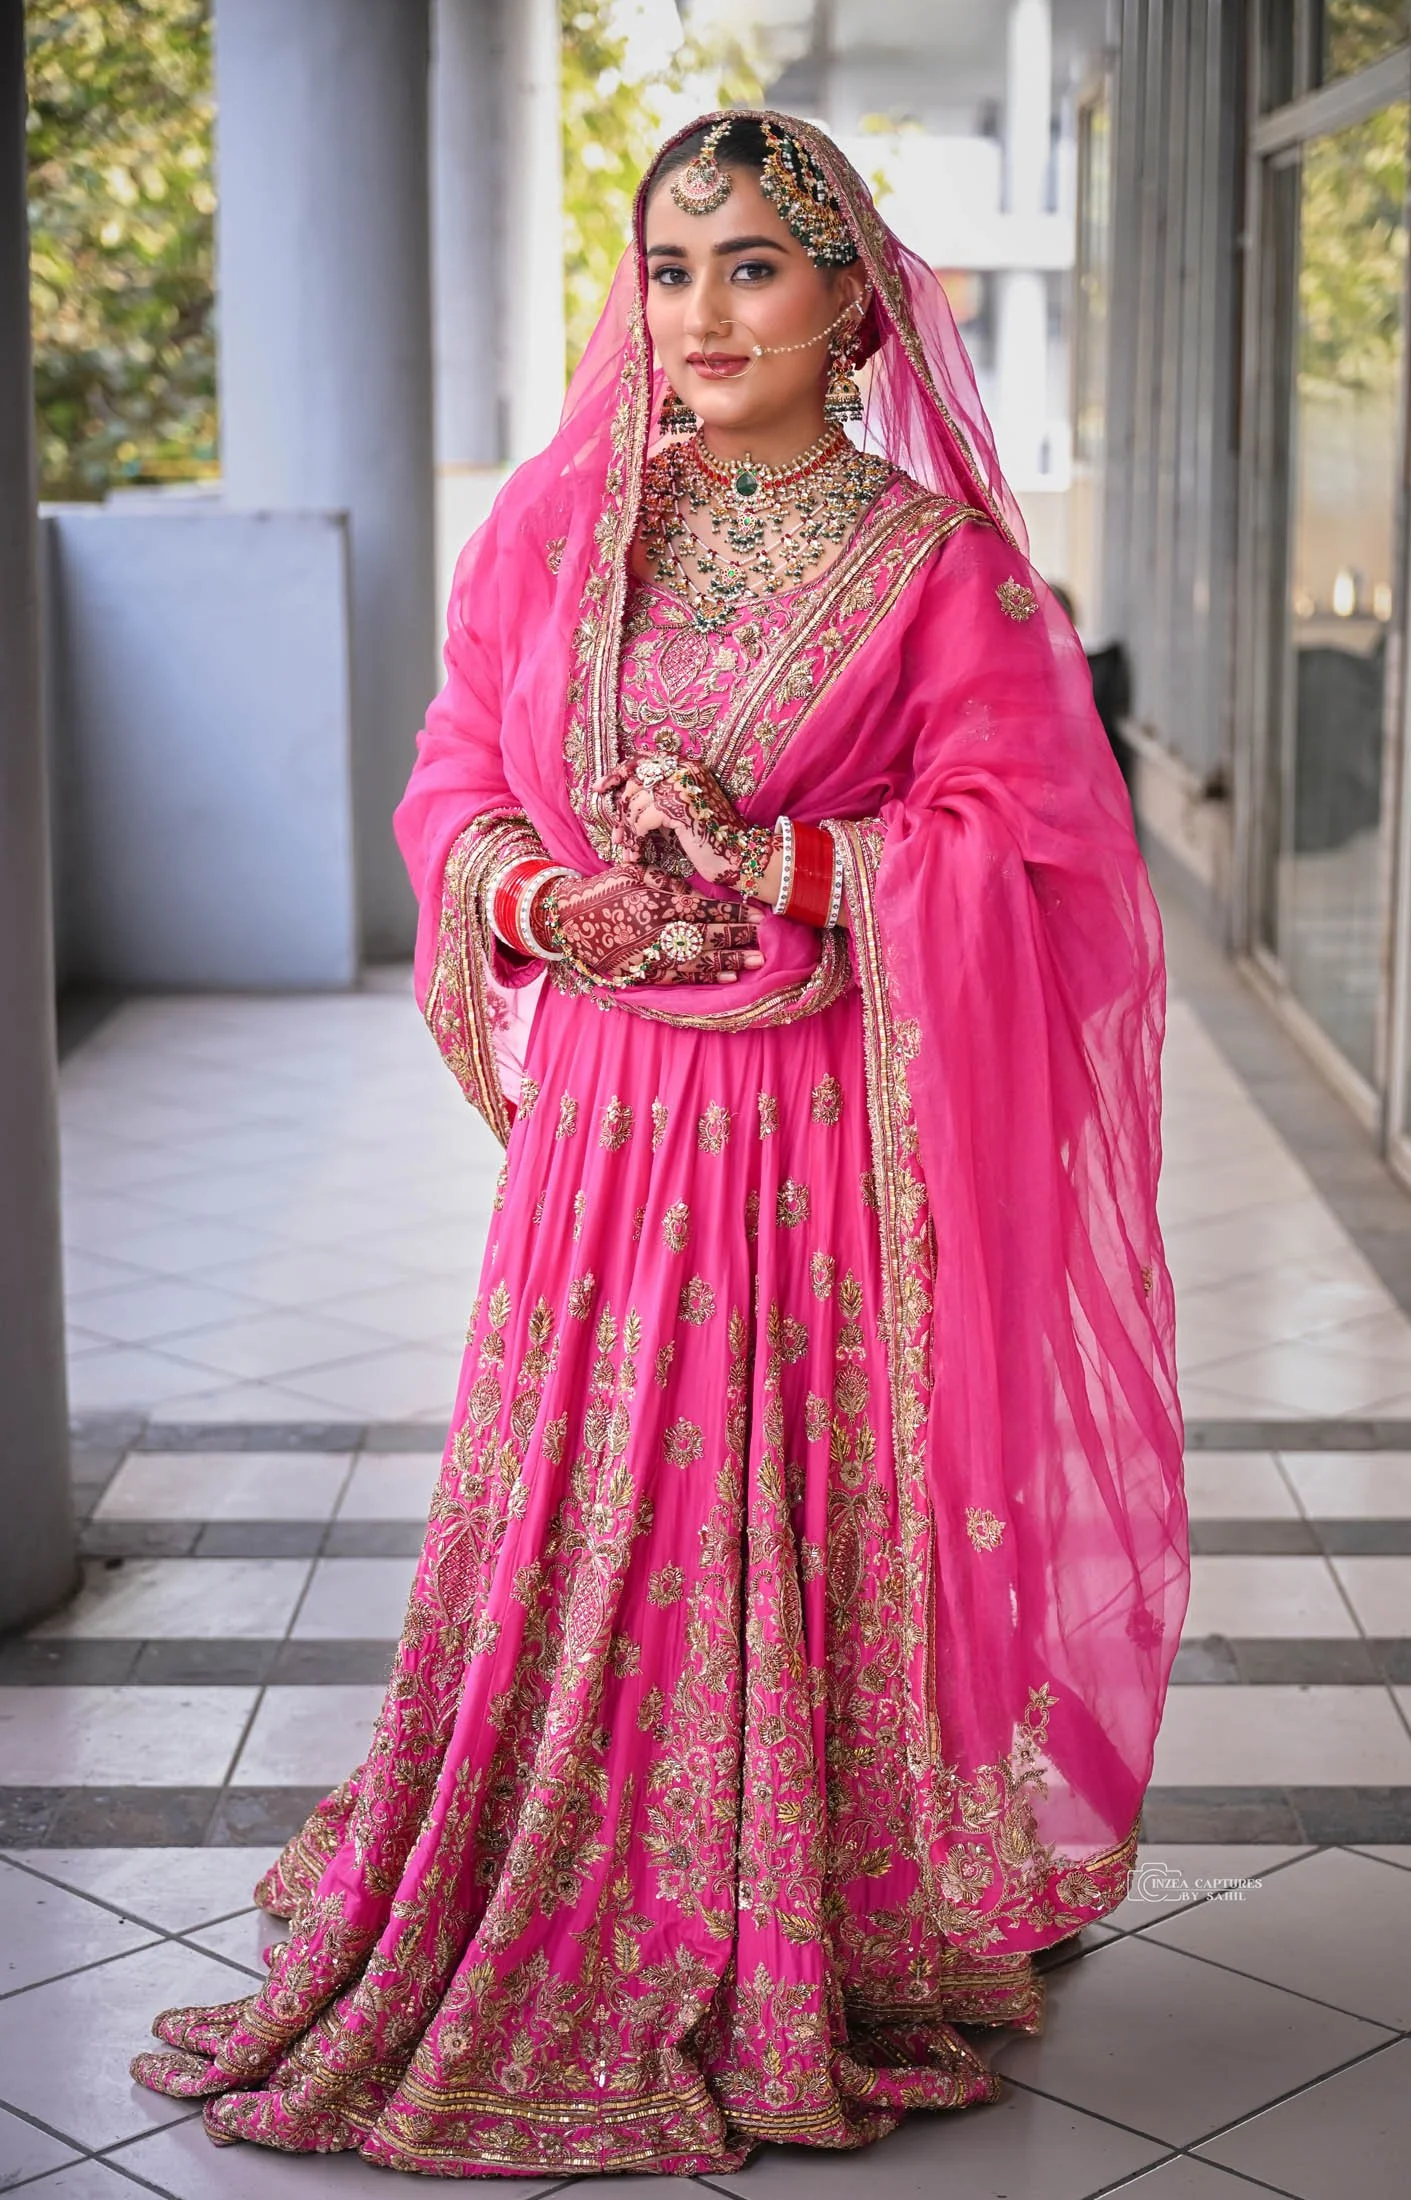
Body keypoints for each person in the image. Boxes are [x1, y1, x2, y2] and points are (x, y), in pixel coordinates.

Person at [130, 110, 1188, 2179]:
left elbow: (1042, 860)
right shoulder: (569, 525)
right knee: (586, 1485)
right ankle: (541, 1840)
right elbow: (458, 768)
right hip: (611, 1126)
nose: (700, 310)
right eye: (671, 264)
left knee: (785, 1491)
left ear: (854, 301)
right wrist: (548, 901)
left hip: (811, 1126)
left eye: (754, 267)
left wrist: (793, 857)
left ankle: (802, 1891)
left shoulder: (945, 569)